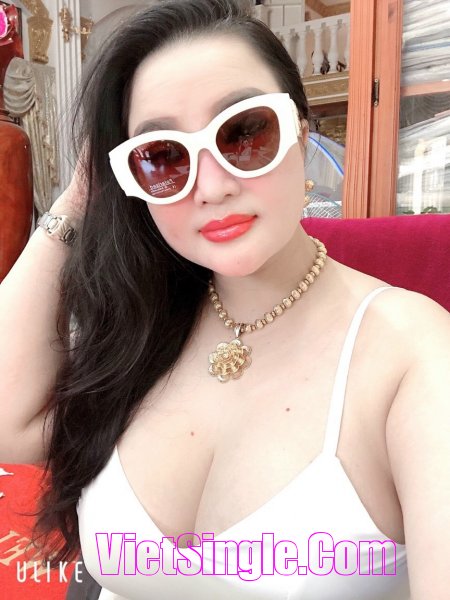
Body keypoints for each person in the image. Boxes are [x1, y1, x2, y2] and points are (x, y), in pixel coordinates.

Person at [0, 1, 449, 598]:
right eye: (162, 155)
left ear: (300, 133)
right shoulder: (144, 325)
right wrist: (76, 201)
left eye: (244, 132)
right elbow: (9, 423)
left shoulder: (414, 355)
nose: (211, 187)